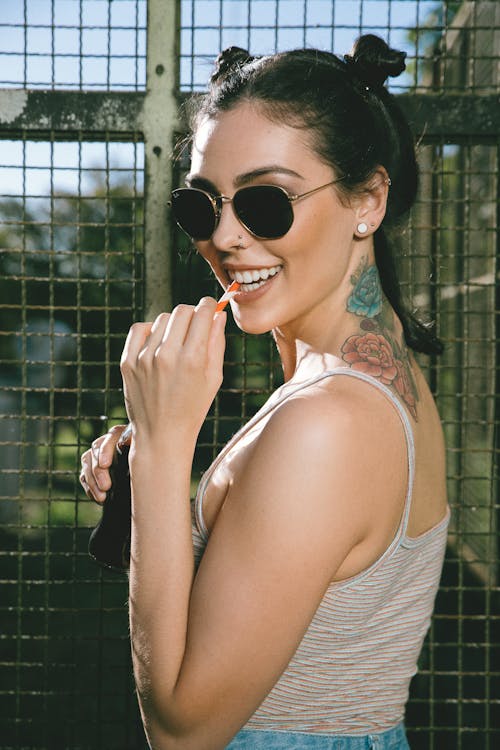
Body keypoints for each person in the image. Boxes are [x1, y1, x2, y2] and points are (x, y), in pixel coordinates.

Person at [80, 35, 449, 750]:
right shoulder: (359, 376)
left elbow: (182, 730)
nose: (223, 236)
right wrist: (149, 478)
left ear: (367, 200)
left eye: (265, 202)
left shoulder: (329, 422)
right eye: (201, 205)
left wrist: (162, 447)